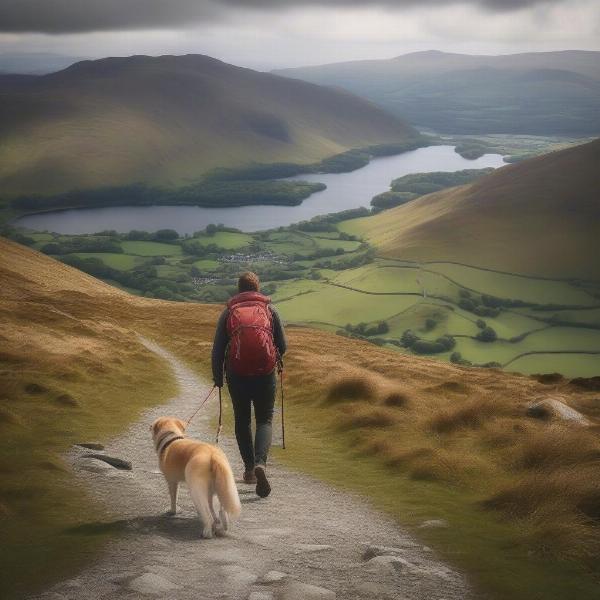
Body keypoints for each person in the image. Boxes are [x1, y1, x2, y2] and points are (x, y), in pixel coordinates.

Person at [211, 272, 287, 498]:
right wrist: (273, 359)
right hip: (265, 374)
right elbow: (282, 345)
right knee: (264, 419)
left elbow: (217, 350)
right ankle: (261, 462)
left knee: (242, 419)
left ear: (239, 289)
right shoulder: (269, 310)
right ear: (257, 288)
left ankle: (250, 470)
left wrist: (218, 378)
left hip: (237, 375)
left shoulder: (229, 312)